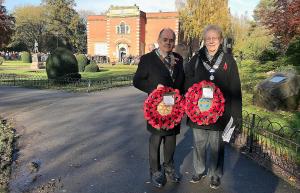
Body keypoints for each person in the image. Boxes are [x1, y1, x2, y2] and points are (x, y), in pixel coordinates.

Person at [184, 24, 242, 189]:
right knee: (199, 144)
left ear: (220, 40)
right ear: (204, 40)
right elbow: (187, 80)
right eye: (208, 38)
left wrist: (236, 114)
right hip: (198, 112)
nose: (211, 41)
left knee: (217, 146)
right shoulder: (196, 59)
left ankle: (215, 174)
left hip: (220, 113)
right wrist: (191, 96)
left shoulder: (229, 60)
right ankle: (199, 170)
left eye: (214, 38)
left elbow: (235, 87)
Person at [133, 28, 185, 188]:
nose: (168, 43)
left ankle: (168, 167)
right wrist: (154, 87)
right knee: (156, 138)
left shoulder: (178, 58)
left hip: (173, 107)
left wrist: (182, 98)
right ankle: (155, 171)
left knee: (171, 138)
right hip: (156, 108)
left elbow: (181, 80)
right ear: (159, 39)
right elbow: (137, 81)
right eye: (165, 39)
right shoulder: (148, 59)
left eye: (171, 40)